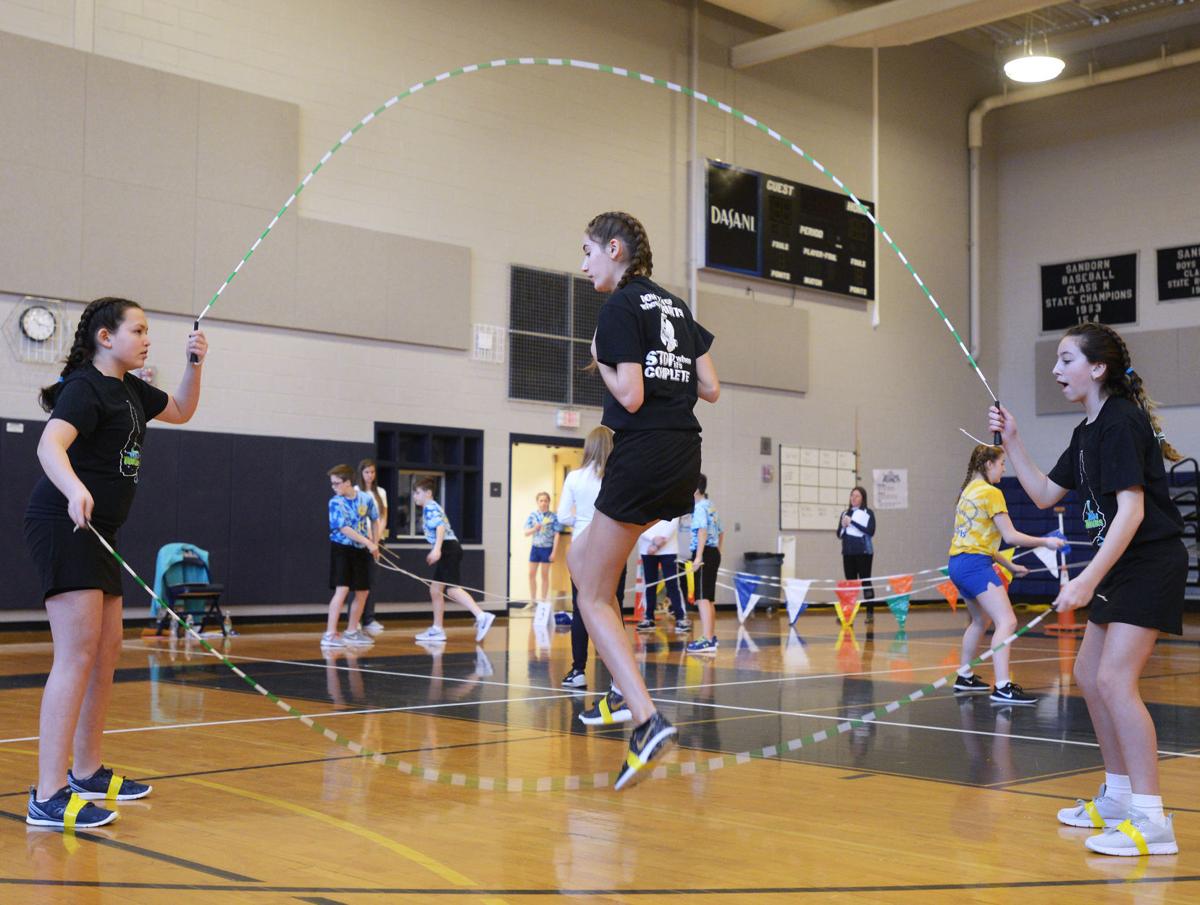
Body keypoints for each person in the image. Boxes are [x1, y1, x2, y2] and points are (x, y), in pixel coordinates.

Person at [989, 321, 1187, 857]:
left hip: (1148, 562)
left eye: (1066, 359)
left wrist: (1085, 580)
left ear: (1097, 368)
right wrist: (1014, 440)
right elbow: (1044, 493)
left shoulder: (1122, 422)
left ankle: (1151, 819)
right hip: (1120, 565)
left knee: (1115, 680)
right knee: (1087, 675)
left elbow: (1133, 510)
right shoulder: (1086, 432)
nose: (1056, 370)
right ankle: (1119, 795)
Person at [24, 297, 207, 829]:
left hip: (101, 530)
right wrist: (75, 488)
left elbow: (182, 409)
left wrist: (196, 363)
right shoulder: (86, 387)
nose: (148, 338)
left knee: (106, 653)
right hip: (66, 522)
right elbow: (49, 445)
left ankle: (86, 771)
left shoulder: (131, 390)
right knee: (76, 654)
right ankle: (47, 793)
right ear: (106, 337)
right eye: (139, 329)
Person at [570, 211, 719, 790]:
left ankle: (646, 717)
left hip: (643, 453)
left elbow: (629, 396)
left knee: (591, 592)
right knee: (583, 560)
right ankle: (616, 688)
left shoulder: (616, 309)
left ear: (615, 249)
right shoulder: (676, 307)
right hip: (684, 457)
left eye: (588, 252)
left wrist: (603, 360)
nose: (584, 266)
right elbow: (710, 387)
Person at [948, 444, 1064, 705]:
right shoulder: (991, 493)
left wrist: (1010, 566)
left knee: (980, 621)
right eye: (1001, 464)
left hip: (958, 564)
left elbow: (981, 541)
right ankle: (1002, 687)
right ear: (988, 464)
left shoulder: (967, 492)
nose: (1003, 469)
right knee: (1008, 621)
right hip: (975, 565)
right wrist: (1045, 542)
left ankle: (964, 675)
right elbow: (1010, 536)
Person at [556, 427, 625, 688]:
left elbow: (562, 516)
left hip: (582, 551)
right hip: (614, 545)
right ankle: (619, 675)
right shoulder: (617, 476)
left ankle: (578, 670)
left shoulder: (574, 478)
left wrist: (581, 521)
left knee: (581, 608)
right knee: (613, 606)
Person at [411, 477, 495, 644]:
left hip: (448, 549)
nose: (415, 496)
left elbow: (440, 527)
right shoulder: (431, 507)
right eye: (414, 492)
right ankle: (437, 629)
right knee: (435, 590)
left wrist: (436, 549)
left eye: (418, 492)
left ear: (428, 493)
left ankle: (481, 615)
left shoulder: (430, 507)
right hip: (448, 548)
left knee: (452, 589)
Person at [322, 464, 379, 649]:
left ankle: (352, 631)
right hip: (342, 548)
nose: (334, 487)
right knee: (343, 589)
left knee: (363, 591)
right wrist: (368, 542)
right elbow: (344, 528)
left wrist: (375, 543)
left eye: (337, 483)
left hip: (361, 550)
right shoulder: (335, 502)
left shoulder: (365, 499)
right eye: (332, 484)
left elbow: (375, 519)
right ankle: (330, 634)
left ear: (348, 482)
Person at [685, 475, 724, 654]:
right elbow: (721, 531)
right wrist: (718, 550)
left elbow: (702, 531)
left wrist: (698, 557)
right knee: (709, 598)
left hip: (704, 553)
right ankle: (710, 636)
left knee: (701, 598)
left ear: (695, 489)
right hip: (713, 552)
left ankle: (707, 640)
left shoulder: (700, 507)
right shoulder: (711, 505)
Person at [635, 517, 688, 633]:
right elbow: (638, 521)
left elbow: (674, 520)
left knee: (673, 584)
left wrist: (660, 542)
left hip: (669, 548)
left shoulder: (670, 500)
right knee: (649, 585)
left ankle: (680, 618)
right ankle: (648, 618)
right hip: (647, 548)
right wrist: (653, 539)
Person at [355, 458, 388, 636]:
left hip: (377, 540)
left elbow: (383, 517)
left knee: (372, 579)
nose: (370, 475)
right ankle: (356, 620)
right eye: (367, 472)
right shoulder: (355, 491)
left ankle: (369, 618)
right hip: (360, 540)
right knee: (359, 580)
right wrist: (366, 538)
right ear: (361, 473)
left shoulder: (380, 492)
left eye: (373, 472)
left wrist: (376, 539)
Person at [837, 486, 877, 621]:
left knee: (865, 581)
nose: (853, 498)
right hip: (848, 553)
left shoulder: (868, 513)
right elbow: (839, 534)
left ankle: (870, 613)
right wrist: (843, 526)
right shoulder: (845, 513)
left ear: (862, 498)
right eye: (852, 495)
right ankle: (848, 614)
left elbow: (871, 531)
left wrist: (852, 522)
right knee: (850, 584)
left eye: (857, 496)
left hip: (864, 552)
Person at [523, 491, 559, 623]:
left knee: (544, 575)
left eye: (545, 500)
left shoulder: (553, 517)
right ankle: (533, 601)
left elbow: (557, 534)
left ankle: (543, 601)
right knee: (531, 574)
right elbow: (526, 532)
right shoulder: (533, 516)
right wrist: (534, 529)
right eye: (541, 500)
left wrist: (554, 552)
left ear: (549, 502)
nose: (543, 503)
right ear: (537, 502)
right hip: (535, 548)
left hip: (547, 548)